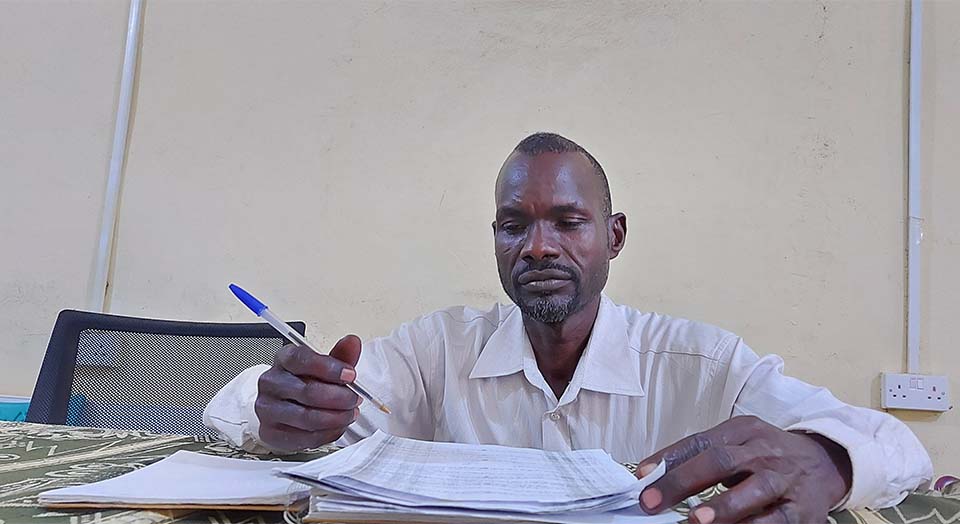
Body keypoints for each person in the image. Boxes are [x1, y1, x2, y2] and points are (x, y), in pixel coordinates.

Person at [205, 132, 932, 524]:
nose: (540, 246)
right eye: (514, 225)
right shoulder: (437, 350)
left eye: (568, 221)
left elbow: (899, 445)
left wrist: (829, 461)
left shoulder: (704, 363)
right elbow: (237, 410)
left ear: (613, 236)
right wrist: (279, 408)